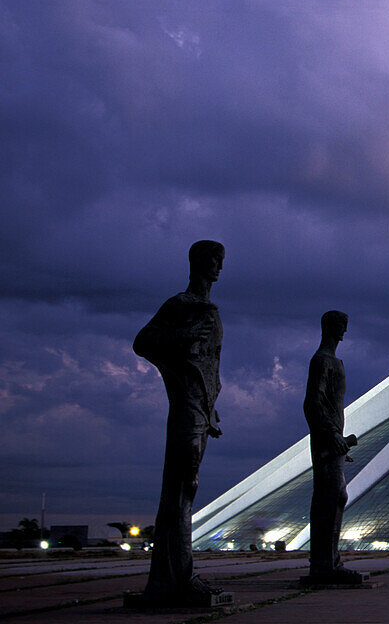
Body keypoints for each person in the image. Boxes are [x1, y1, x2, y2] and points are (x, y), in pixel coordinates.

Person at [133, 240, 226, 604]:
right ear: (199, 263)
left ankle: (177, 576)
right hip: (185, 407)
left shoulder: (211, 311)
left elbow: (209, 367)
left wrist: (212, 406)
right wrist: (184, 337)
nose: (219, 267)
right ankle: (174, 579)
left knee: (187, 488)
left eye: (222, 261)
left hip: (202, 408)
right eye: (214, 261)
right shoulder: (181, 305)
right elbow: (144, 342)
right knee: (181, 486)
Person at [304, 310, 361, 585]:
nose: (344, 332)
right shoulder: (322, 361)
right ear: (328, 326)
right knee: (329, 497)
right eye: (340, 326)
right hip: (326, 440)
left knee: (337, 497)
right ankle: (323, 564)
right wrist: (330, 434)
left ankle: (331, 560)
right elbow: (312, 403)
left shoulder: (336, 362)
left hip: (335, 441)